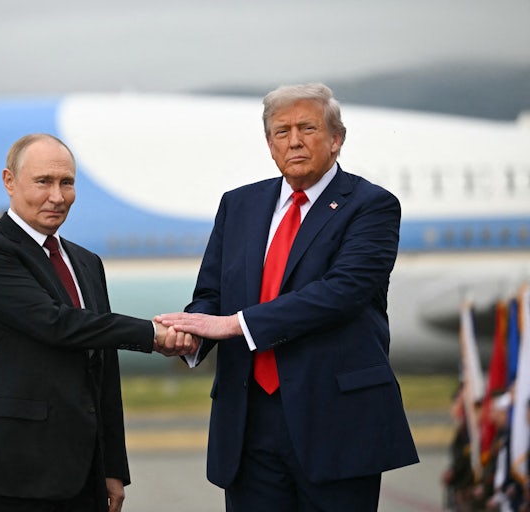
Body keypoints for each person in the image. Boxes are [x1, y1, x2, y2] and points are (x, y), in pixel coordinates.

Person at [156, 83, 419, 511]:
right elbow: (211, 294)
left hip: (336, 422)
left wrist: (234, 325)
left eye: (307, 128)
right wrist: (193, 333)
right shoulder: (238, 205)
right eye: (281, 132)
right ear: (269, 144)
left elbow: (343, 292)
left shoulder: (371, 206)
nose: (294, 140)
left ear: (337, 139)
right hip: (247, 423)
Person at [0, 133, 193, 512]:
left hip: (81, 475)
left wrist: (112, 467)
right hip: (7, 472)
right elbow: (55, 324)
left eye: (67, 182)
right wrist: (151, 334)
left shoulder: (86, 262)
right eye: (43, 182)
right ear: (9, 181)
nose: (57, 196)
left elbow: (104, 370)